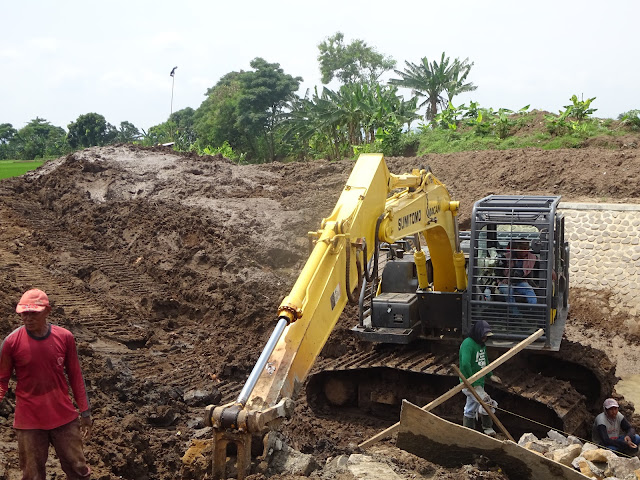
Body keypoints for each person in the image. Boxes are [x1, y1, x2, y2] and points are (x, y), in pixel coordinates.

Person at [0, 288, 92, 479]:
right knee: (32, 474)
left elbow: (75, 375)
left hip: (63, 417)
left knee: (78, 470)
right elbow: (1, 380)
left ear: (47, 311)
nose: (28, 318)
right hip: (29, 421)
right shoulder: (11, 343)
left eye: (34, 313)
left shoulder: (64, 337)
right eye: (24, 314)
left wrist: (85, 412)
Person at [459, 320, 502, 436]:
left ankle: (468, 432)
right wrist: (471, 381)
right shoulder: (468, 344)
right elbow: (465, 364)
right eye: (484, 336)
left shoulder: (481, 345)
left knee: (470, 408)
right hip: (470, 383)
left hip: (479, 382)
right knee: (487, 403)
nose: (485, 338)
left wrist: (490, 375)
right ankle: (488, 429)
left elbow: (484, 362)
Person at [497, 239, 538, 306]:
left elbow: (543, 265)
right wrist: (502, 279)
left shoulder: (532, 258)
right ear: (516, 248)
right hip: (506, 282)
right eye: (521, 248)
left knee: (529, 290)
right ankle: (515, 314)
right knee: (508, 291)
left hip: (520, 283)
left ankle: (533, 310)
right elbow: (498, 270)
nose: (523, 251)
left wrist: (551, 270)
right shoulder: (506, 257)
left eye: (526, 248)